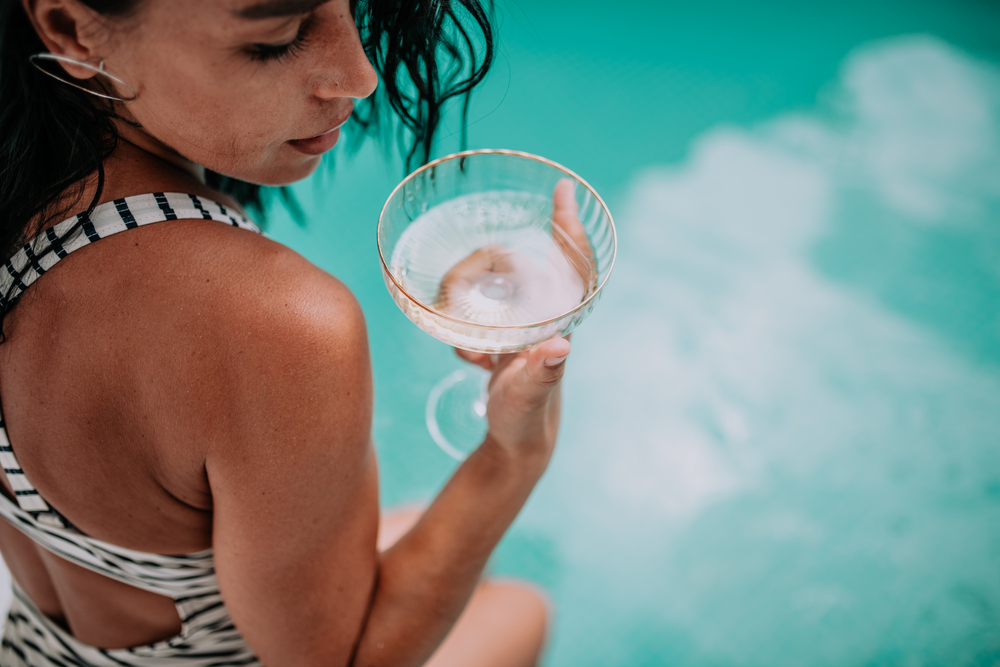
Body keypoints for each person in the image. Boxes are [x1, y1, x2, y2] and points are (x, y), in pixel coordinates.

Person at [0, 0, 576, 664]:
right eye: (276, 39)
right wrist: (514, 453)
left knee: (418, 526)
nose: (359, 75)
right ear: (72, 27)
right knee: (520, 610)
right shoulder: (271, 319)